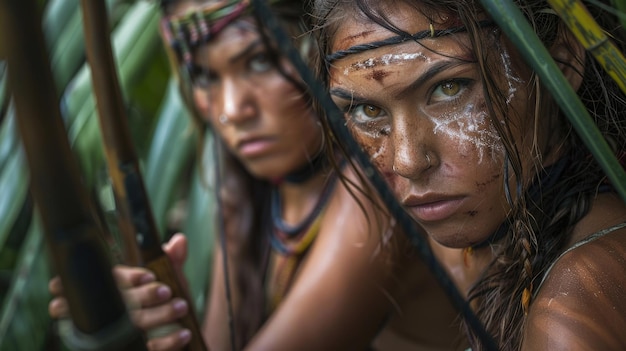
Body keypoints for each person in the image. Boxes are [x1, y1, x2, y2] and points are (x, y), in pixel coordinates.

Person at [50, 0, 468, 350]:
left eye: (261, 60)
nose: (232, 109)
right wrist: (163, 311)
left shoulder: (376, 194)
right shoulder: (248, 194)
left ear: (325, 49)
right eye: (204, 75)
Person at [312, 0, 626, 349]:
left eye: (449, 88)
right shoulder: (472, 247)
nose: (407, 161)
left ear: (559, 61)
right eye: (367, 110)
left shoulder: (574, 307)